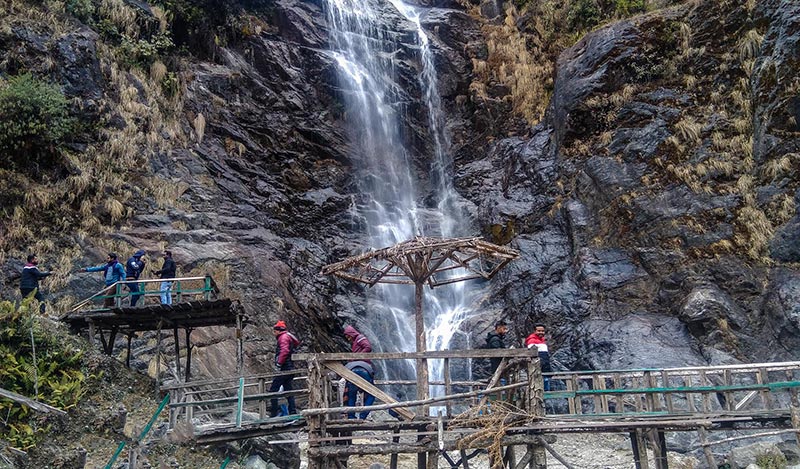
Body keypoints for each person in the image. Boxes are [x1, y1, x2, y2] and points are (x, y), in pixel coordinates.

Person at [269, 320, 301, 417]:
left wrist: (279, 363)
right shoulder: (288, 337)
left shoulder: (283, 338)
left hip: (284, 368)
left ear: (278, 331)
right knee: (288, 390)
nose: (274, 333)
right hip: (290, 367)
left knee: (273, 390)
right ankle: (292, 411)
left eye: (275, 331)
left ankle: (274, 412)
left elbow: (284, 351)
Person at [343, 325, 375, 419]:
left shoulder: (360, 338)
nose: (348, 339)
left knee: (351, 394)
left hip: (354, 369)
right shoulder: (357, 341)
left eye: (348, 336)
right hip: (365, 370)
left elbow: (368, 347)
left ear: (351, 334)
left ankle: (351, 417)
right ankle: (362, 416)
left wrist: (357, 357)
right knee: (371, 395)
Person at [525, 324, 552, 391]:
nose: (541, 332)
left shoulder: (542, 341)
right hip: (538, 369)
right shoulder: (531, 341)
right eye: (539, 331)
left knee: (546, 383)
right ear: (534, 331)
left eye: (542, 331)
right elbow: (531, 355)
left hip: (545, 367)